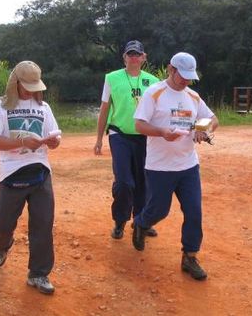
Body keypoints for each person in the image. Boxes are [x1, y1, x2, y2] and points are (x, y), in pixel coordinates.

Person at [132, 52, 219, 281]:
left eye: (190, 77)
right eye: (182, 76)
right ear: (171, 69)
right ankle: (141, 223)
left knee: (194, 212)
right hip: (160, 166)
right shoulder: (155, 93)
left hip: (188, 165)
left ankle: (189, 257)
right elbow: (139, 124)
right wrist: (161, 132)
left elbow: (213, 119)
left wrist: (202, 128)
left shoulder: (193, 96)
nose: (186, 81)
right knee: (159, 210)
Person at [0, 60, 60, 295]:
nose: (32, 90)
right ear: (15, 82)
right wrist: (23, 142)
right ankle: (2, 245)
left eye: (35, 85)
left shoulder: (44, 107)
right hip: (11, 173)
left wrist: (53, 141)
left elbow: (54, 137)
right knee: (4, 225)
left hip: (39, 170)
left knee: (43, 223)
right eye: (27, 85)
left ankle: (38, 273)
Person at [94, 40, 160, 240]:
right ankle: (120, 220)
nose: (133, 57)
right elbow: (105, 108)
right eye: (130, 54)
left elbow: (159, 111)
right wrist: (99, 139)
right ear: (124, 57)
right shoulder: (112, 78)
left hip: (144, 137)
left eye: (137, 54)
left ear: (143, 57)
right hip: (119, 134)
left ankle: (140, 221)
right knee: (124, 182)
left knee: (143, 181)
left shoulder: (154, 81)